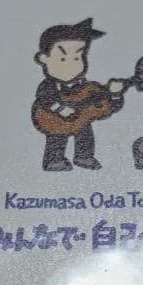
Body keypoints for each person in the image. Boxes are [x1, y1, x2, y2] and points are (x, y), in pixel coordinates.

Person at [31, 18, 126, 171]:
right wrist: (61, 109)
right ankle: (54, 160)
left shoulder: (88, 88)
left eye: (76, 57)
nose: (71, 64)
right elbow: (45, 100)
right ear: (44, 58)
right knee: (57, 137)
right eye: (62, 58)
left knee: (85, 134)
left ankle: (84, 157)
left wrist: (115, 94)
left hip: (80, 122)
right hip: (53, 120)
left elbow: (105, 107)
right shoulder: (48, 86)